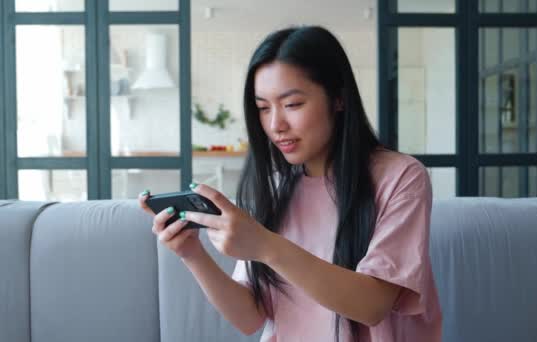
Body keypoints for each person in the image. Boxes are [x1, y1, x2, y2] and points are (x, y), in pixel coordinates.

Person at [139, 25, 441, 342]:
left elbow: (373, 305)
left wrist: (266, 245)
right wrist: (192, 254)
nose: (275, 125)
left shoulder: (401, 177)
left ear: (338, 98)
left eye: (292, 104)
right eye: (263, 108)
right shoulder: (274, 188)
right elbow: (250, 318)